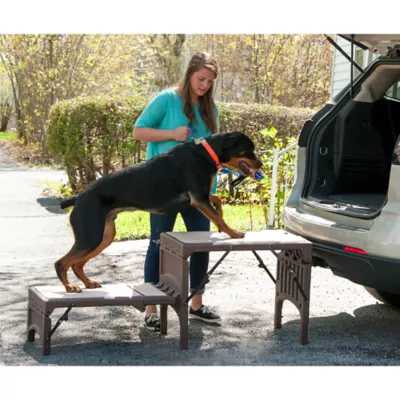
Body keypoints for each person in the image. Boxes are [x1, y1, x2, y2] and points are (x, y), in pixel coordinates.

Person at [133, 52, 221, 331]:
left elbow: (211, 152)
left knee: (201, 244)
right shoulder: (166, 100)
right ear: (189, 74)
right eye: (201, 79)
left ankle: (196, 303)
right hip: (164, 190)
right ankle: (150, 308)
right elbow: (138, 131)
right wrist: (172, 134)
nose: (205, 85)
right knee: (158, 244)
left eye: (209, 81)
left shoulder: (210, 109)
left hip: (198, 193)